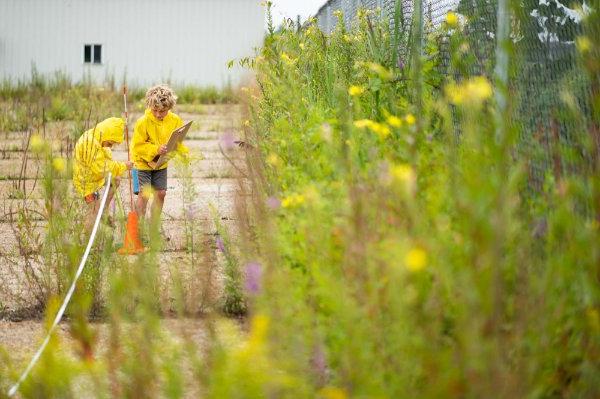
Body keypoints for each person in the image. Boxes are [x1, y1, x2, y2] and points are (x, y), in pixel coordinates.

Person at [131, 84, 187, 224]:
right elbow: (137, 146)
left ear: (169, 108)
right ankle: (137, 228)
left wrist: (182, 152)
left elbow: (177, 140)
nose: (158, 114)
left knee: (161, 193)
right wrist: (156, 149)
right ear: (150, 106)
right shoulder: (142, 122)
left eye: (162, 111)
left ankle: (153, 227)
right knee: (144, 195)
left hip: (161, 164)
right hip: (142, 163)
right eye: (155, 110)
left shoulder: (175, 120)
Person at [73, 117, 133, 228]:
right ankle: (87, 240)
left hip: (95, 176)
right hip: (86, 182)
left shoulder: (99, 138)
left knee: (116, 179)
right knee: (93, 212)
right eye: (110, 143)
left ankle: (103, 209)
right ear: (105, 134)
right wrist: (124, 166)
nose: (110, 146)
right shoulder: (89, 144)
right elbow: (102, 168)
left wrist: (118, 168)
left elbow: (106, 161)